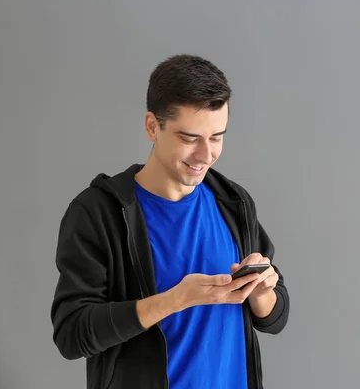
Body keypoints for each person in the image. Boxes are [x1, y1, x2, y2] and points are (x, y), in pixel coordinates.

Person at [50, 54, 290, 389]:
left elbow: (275, 317)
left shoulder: (233, 203)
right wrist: (176, 299)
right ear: (152, 126)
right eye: (190, 138)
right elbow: (72, 333)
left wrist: (261, 292)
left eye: (217, 137)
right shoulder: (98, 212)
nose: (206, 155)